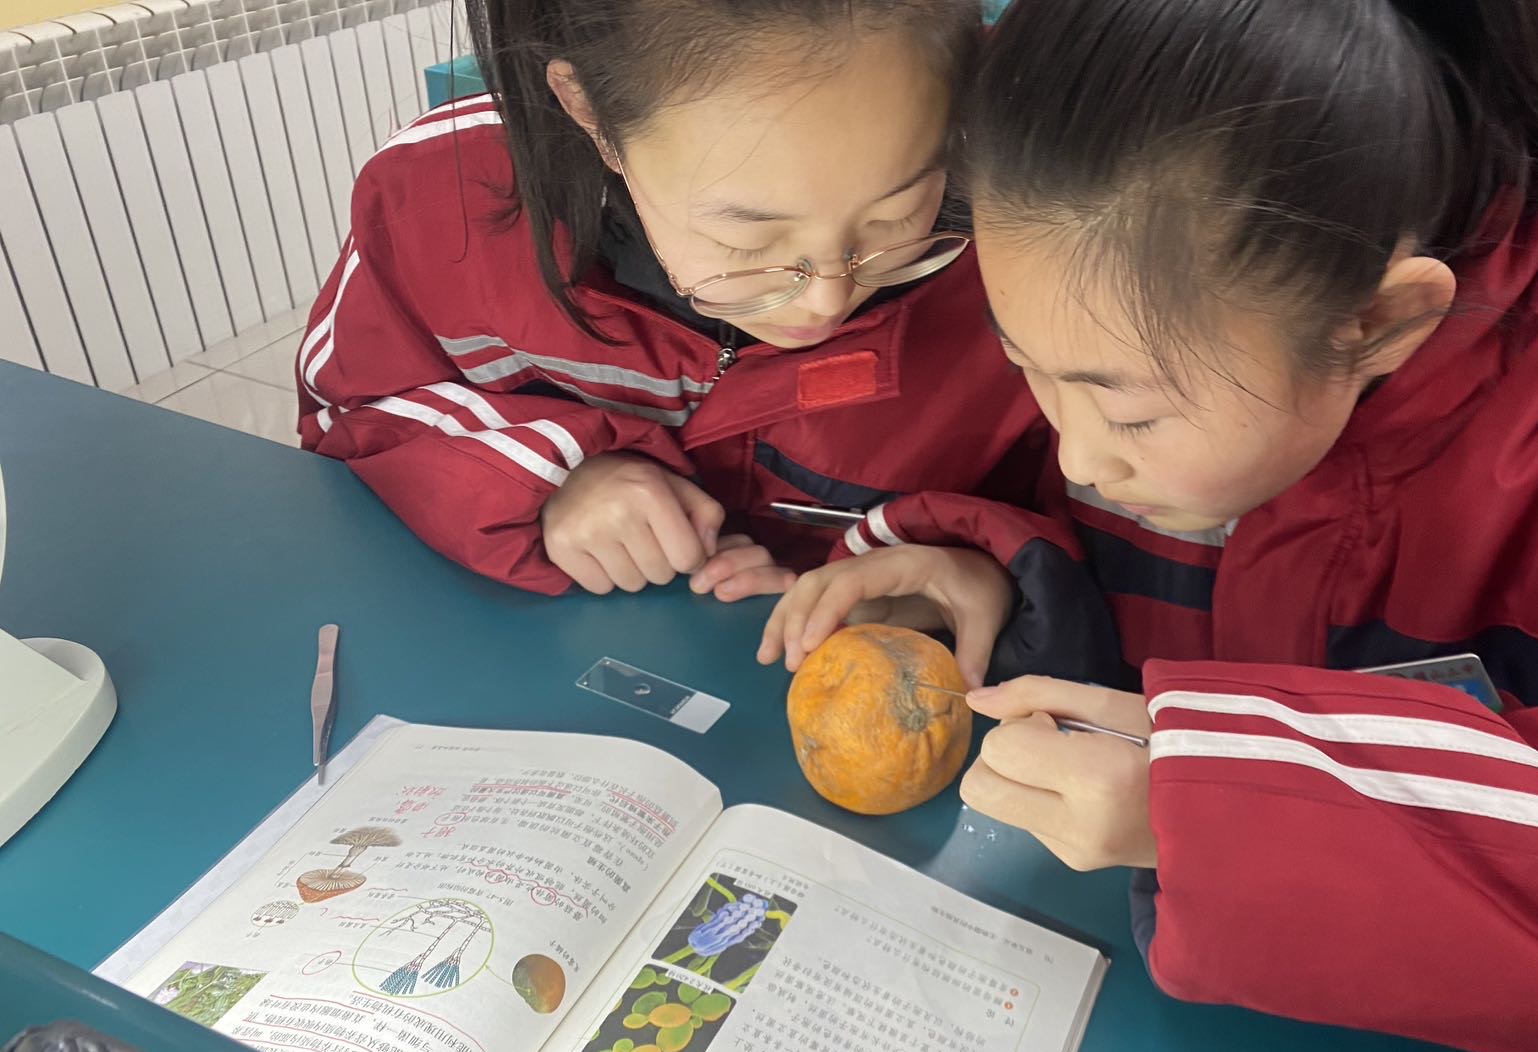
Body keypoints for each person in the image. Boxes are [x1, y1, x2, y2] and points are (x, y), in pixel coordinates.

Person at [766, 0, 1538, 1052]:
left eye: (1133, 416)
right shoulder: (1102, 284)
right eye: (1028, 367)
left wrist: (1225, 808)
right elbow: (1060, 503)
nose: (1078, 455)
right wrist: (987, 571)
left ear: (1377, 323)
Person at [293, 0, 1114, 687]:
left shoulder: (1041, 230)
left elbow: (1113, 517)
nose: (826, 299)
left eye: (898, 215)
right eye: (746, 241)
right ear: (590, 113)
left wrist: (971, 572)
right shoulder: (441, 203)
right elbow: (350, 414)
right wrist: (543, 475)